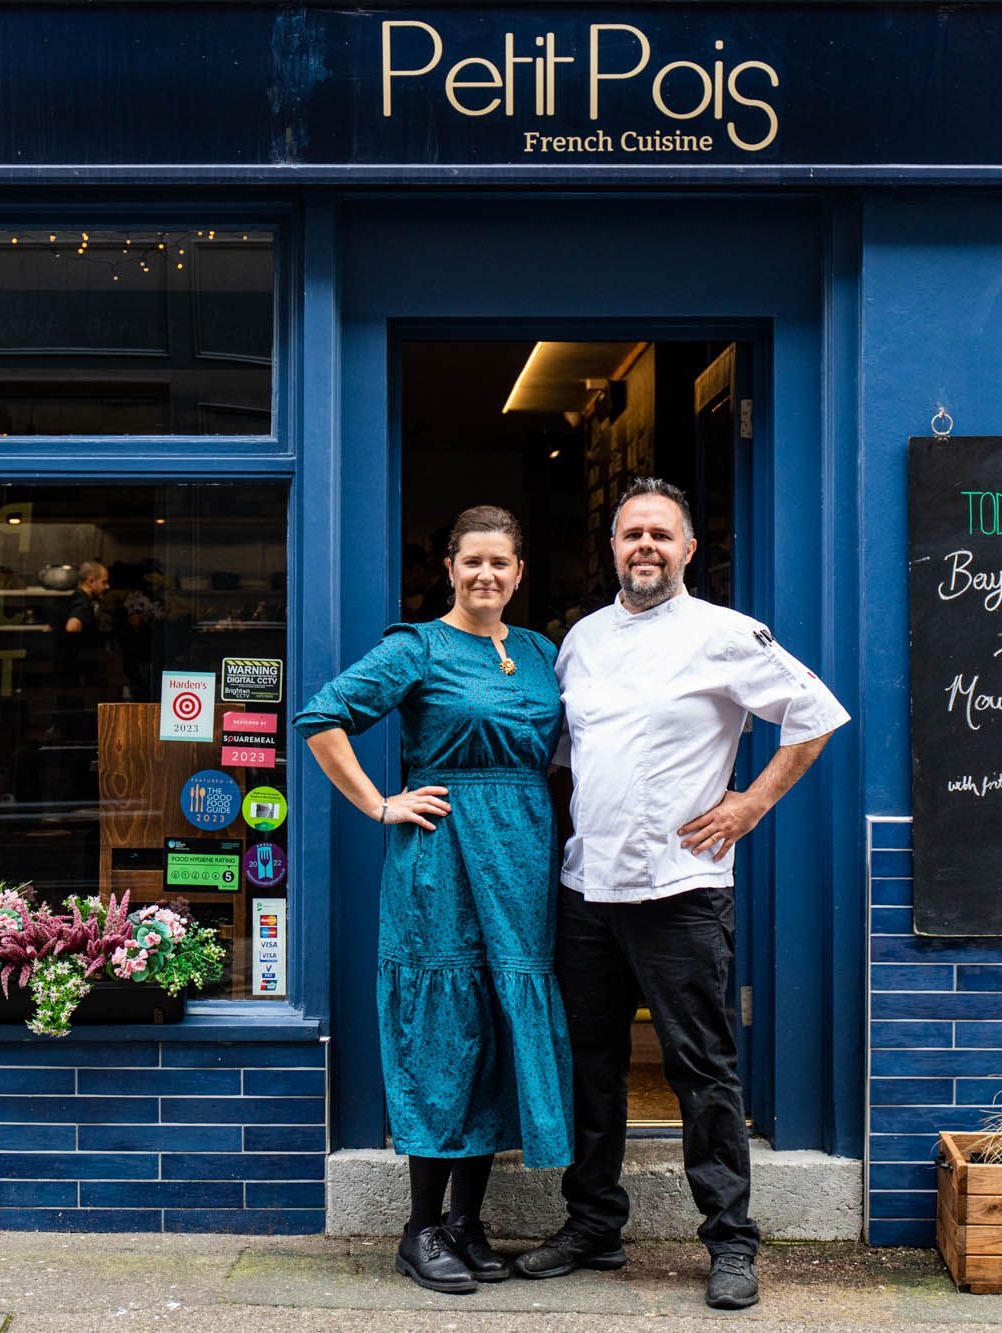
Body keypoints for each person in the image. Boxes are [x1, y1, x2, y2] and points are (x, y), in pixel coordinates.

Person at [515, 478, 848, 1311]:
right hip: (588, 889)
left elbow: (814, 713)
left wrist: (751, 801)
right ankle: (593, 1224)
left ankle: (731, 1242)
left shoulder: (725, 634)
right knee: (592, 1067)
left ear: (689, 550)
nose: (645, 548)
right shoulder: (581, 641)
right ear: (613, 547)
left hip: (681, 889)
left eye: (661, 535)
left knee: (703, 1070)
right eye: (632, 535)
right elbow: (565, 758)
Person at [297, 505, 573, 1296]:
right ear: (450, 567)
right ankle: (420, 1226)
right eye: (472, 560)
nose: (487, 574)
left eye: (501, 562)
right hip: (444, 862)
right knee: (444, 1030)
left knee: (491, 1024)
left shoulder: (539, 649)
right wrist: (381, 803)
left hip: (520, 861)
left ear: (520, 573)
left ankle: (467, 1221)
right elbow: (322, 716)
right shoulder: (416, 646)